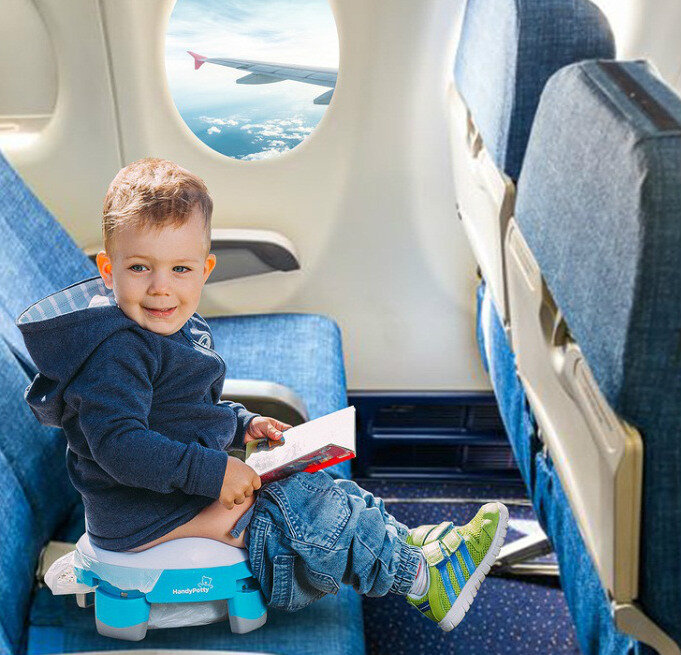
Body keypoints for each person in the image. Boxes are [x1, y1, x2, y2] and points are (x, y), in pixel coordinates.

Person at [17, 158, 508, 631]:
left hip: (169, 496)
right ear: (109, 270)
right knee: (303, 508)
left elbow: (182, 410)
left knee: (315, 486)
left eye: (181, 269)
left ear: (205, 269)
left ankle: (410, 546)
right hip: (146, 516)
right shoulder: (115, 355)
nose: (161, 288)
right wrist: (213, 472)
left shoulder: (166, 326)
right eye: (141, 268)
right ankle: (421, 579)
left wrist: (242, 423)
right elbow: (120, 446)